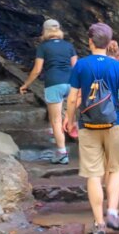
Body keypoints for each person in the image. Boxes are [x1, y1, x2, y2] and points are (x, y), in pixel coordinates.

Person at [63, 23, 119, 234]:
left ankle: (99, 223)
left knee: (93, 174)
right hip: (115, 124)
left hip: (88, 125)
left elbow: (74, 97)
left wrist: (69, 119)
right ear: (109, 42)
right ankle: (112, 211)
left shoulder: (81, 66)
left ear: (90, 41)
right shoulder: (118, 67)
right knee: (114, 169)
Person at [19, 19, 77, 164]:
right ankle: (58, 135)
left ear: (45, 31)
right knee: (67, 117)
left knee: (56, 120)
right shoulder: (69, 46)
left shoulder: (43, 47)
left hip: (54, 84)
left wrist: (25, 85)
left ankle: (62, 153)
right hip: (71, 84)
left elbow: (37, 70)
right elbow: (76, 67)